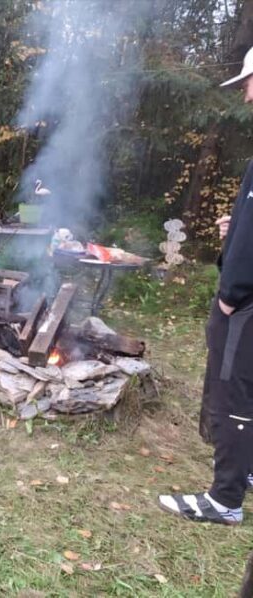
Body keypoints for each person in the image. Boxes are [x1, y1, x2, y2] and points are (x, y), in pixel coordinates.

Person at [158, 47, 253, 525]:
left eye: (249, 83)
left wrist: (231, 295)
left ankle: (225, 500)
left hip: (247, 303)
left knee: (233, 391)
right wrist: (233, 225)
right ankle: (247, 468)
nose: (246, 93)